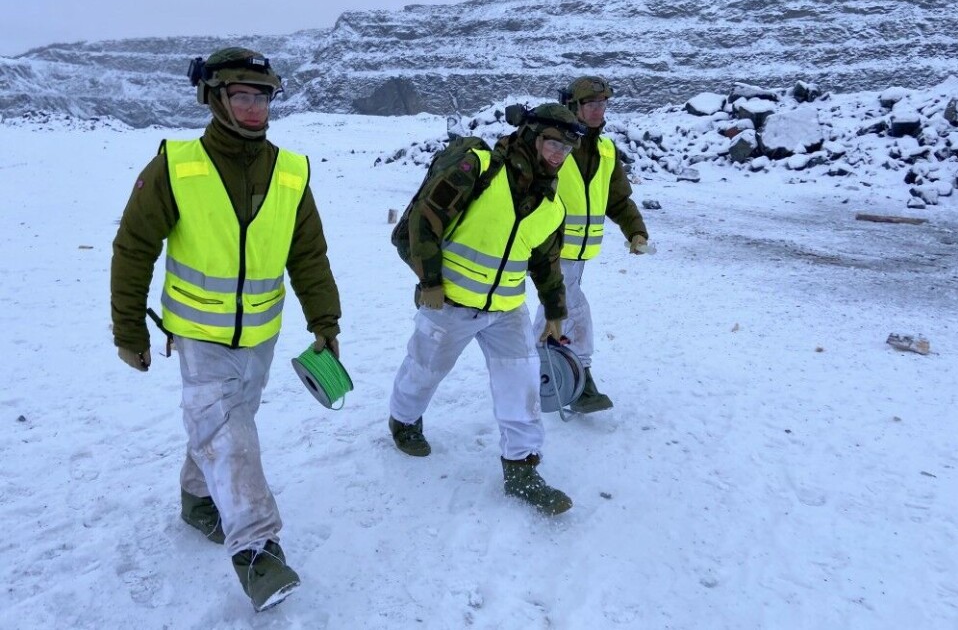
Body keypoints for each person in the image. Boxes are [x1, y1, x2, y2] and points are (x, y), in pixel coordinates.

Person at [110, 47, 341, 612]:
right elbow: (134, 248)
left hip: (261, 334)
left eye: (262, 97)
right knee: (228, 433)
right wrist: (128, 330)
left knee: (226, 426)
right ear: (215, 99)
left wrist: (325, 321)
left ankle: (196, 500)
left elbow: (308, 254)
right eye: (242, 96)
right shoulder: (176, 165)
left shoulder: (291, 172)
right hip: (198, 335)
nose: (254, 108)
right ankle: (258, 549)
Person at [388, 103, 583, 516]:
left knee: (523, 385)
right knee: (425, 370)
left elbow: (547, 261)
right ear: (531, 136)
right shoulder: (477, 168)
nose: (557, 156)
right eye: (552, 144)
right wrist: (431, 282)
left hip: (507, 310)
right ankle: (403, 420)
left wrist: (554, 312)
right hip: (449, 302)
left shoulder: (552, 205)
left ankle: (522, 468)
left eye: (565, 149)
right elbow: (425, 220)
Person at [533, 76, 650, 413]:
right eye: (592, 104)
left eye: (603, 104)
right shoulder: (555, 145)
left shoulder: (606, 150)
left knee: (553, 309)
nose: (599, 111)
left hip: (578, 253)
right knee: (573, 310)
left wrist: (635, 231)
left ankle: (533, 371)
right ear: (574, 106)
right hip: (548, 247)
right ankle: (581, 377)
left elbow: (618, 199)